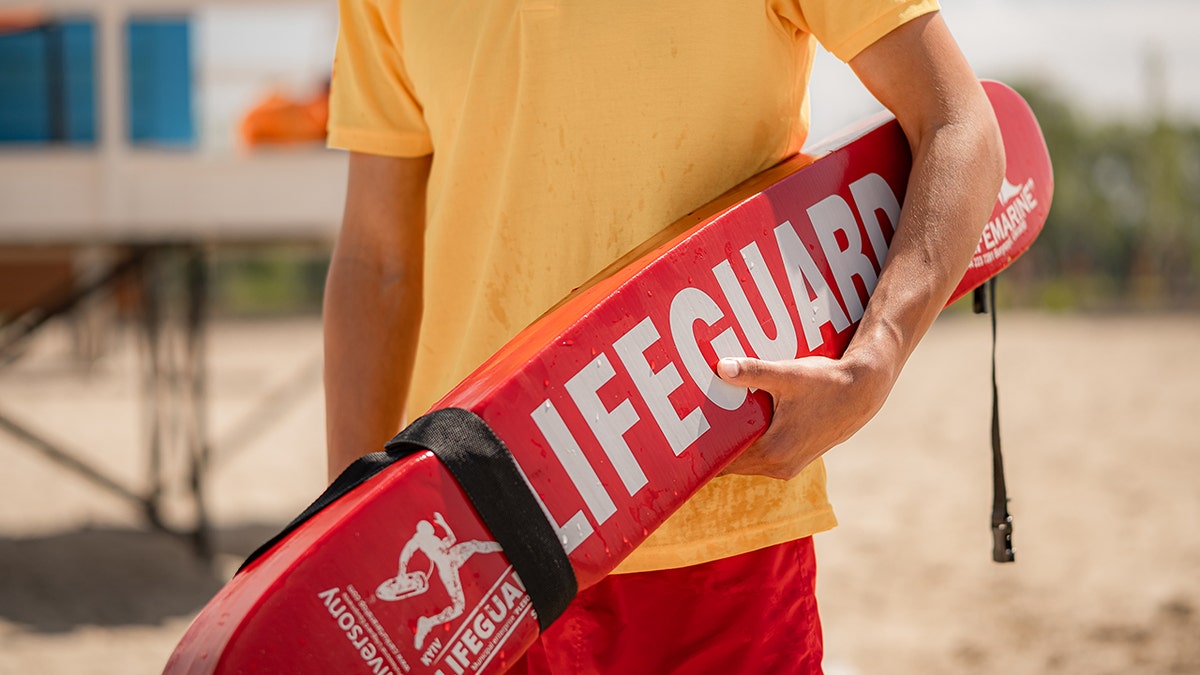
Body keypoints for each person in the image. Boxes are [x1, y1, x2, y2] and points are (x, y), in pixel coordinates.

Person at [322, 1, 1004, 672]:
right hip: (479, 540)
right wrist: (342, 540)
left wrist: (874, 364)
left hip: (714, 520)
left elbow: (960, 123)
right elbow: (376, 259)